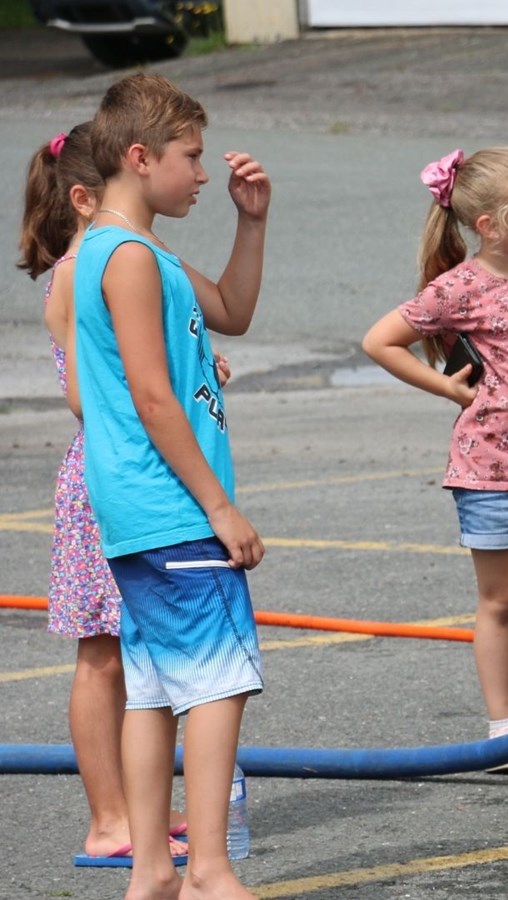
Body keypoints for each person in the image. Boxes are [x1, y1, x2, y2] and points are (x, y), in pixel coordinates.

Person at [74, 71, 270, 899]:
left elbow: (231, 308)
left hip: (141, 512)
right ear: (139, 156)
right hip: (172, 507)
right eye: (190, 158)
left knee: (152, 691)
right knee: (221, 684)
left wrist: (252, 222)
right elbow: (153, 396)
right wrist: (220, 507)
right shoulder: (124, 257)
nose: (200, 174)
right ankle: (210, 870)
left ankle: (153, 870)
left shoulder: (136, 250)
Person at [363, 147, 508, 773]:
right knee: (501, 601)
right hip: (490, 474)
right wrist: (447, 386)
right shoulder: (460, 288)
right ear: (490, 225)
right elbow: (380, 340)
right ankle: (503, 727)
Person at [19, 123, 195, 868]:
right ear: (84, 198)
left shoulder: (109, 263)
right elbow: (86, 396)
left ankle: (135, 808)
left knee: (132, 652)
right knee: (101, 655)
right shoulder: (81, 268)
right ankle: (108, 817)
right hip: (105, 476)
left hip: (120, 469)